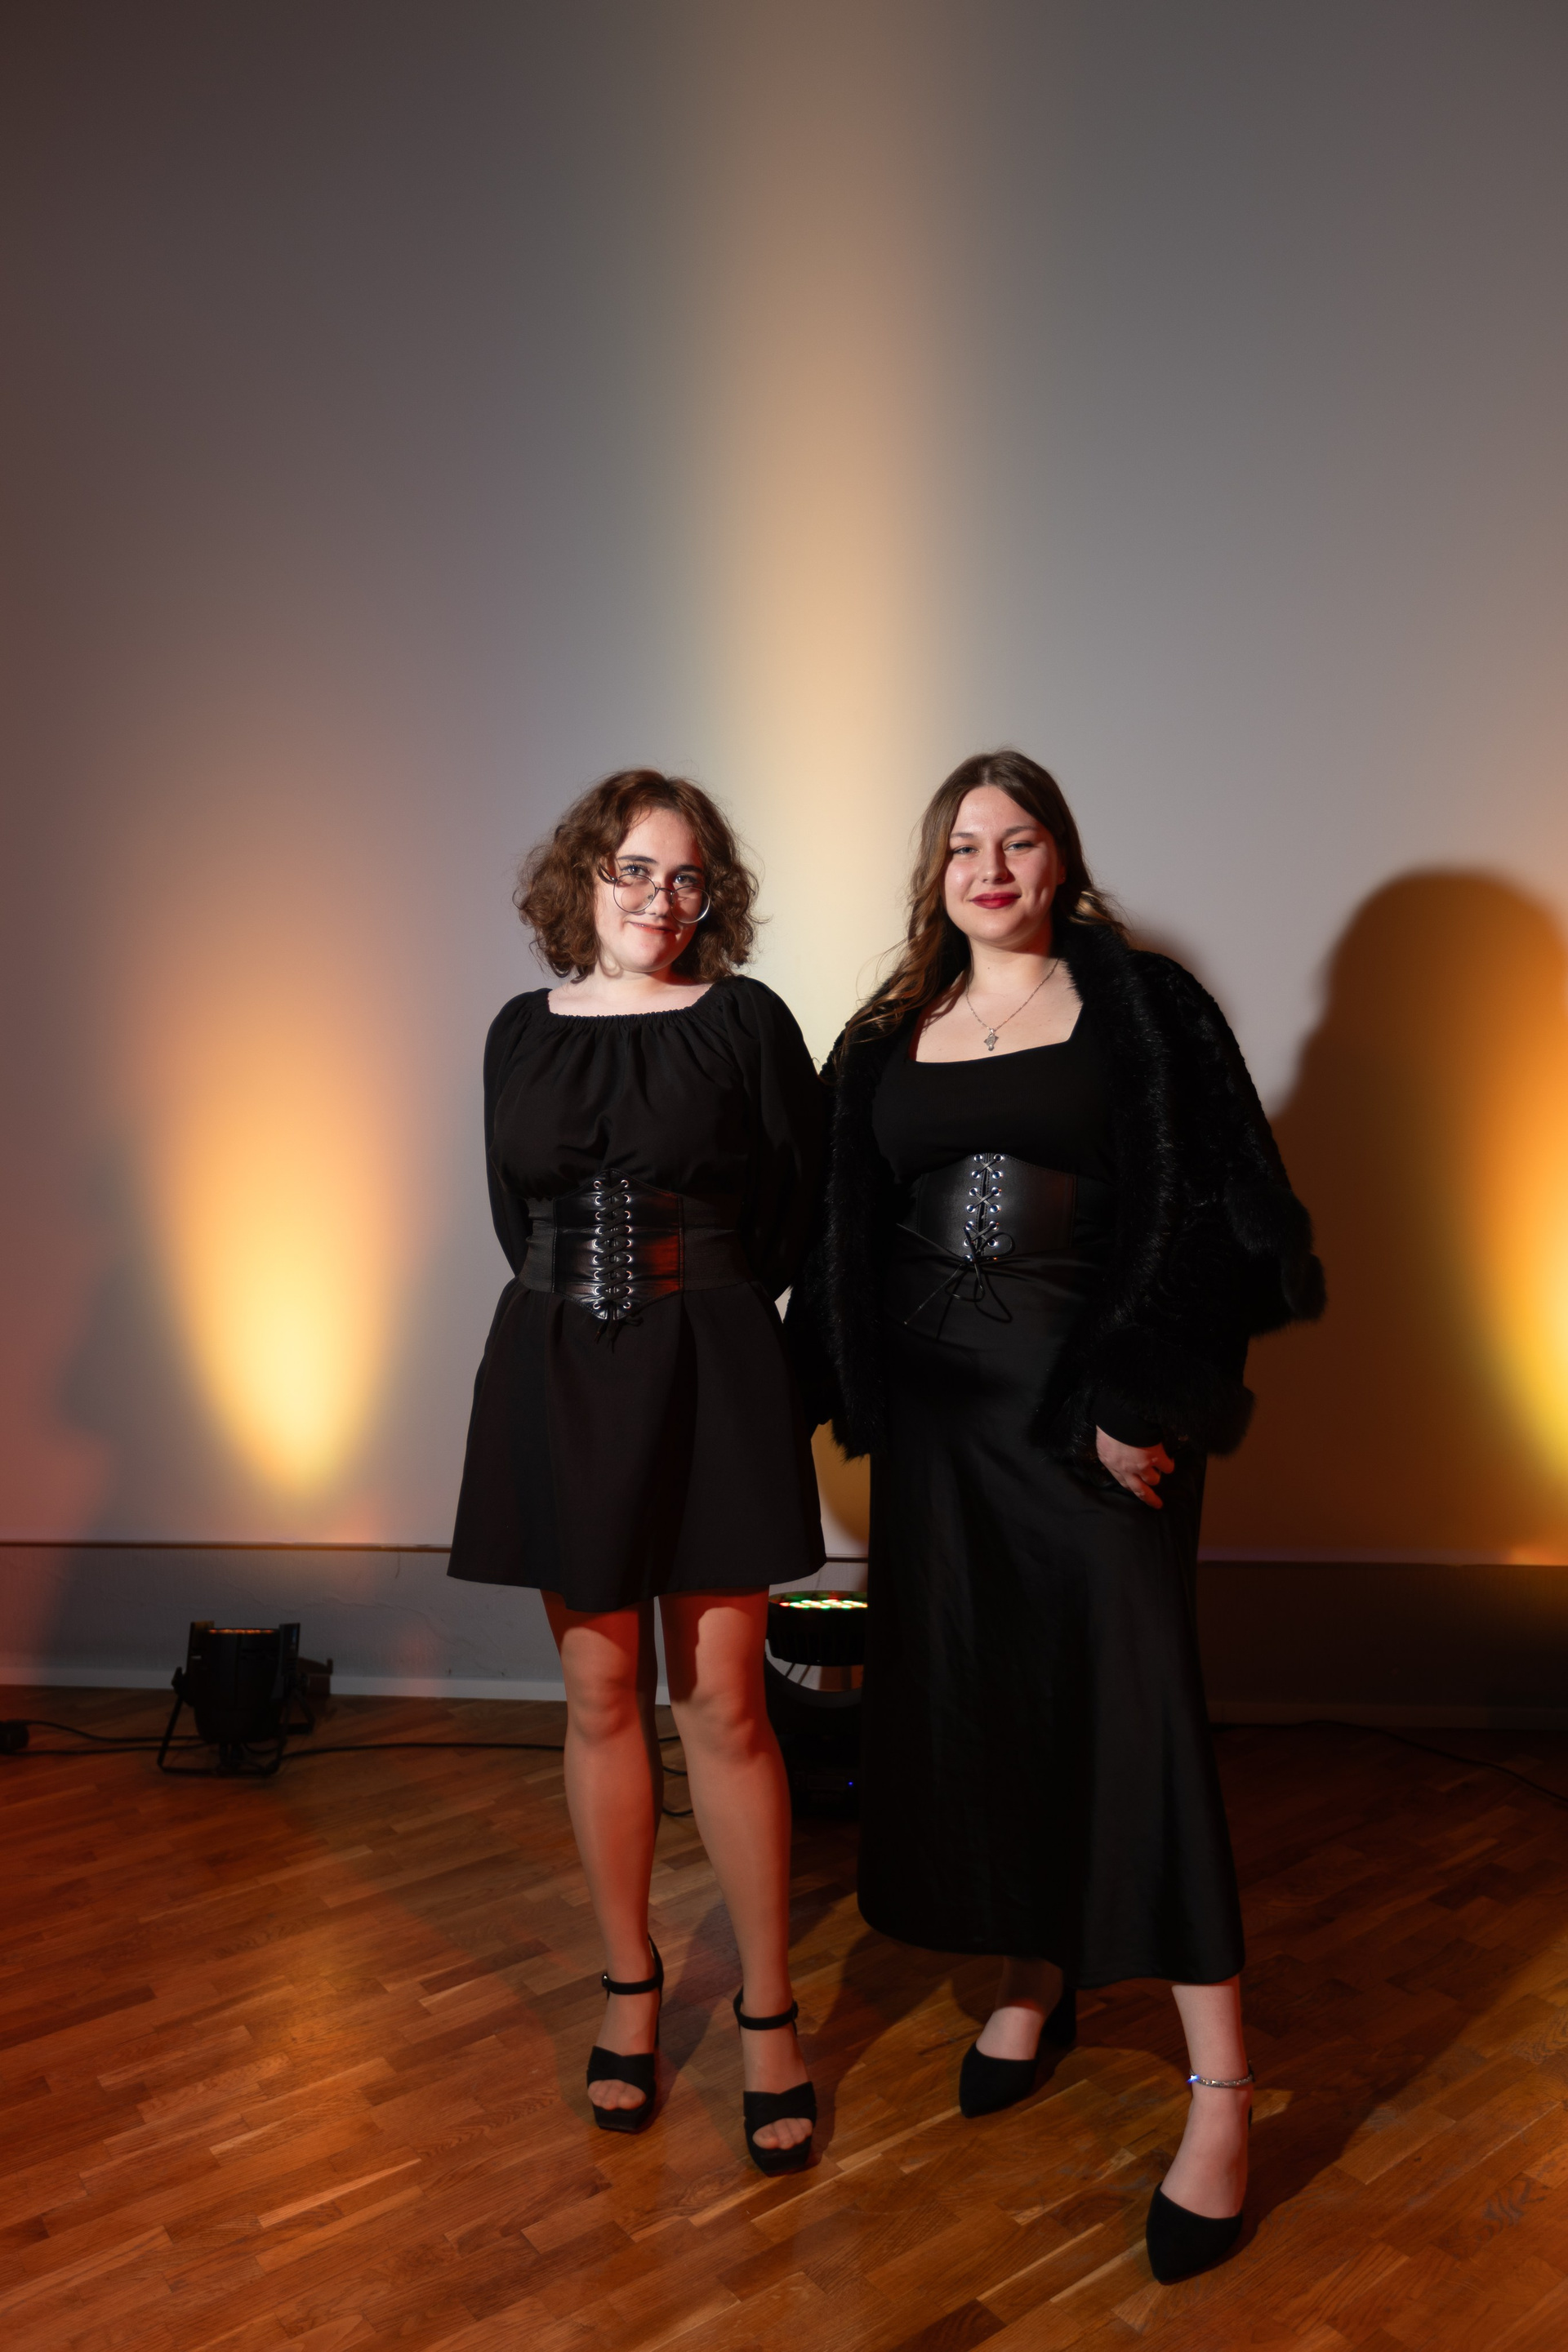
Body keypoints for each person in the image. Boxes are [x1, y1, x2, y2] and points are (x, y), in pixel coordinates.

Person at [788, 749, 1323, 2278]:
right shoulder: (886, 1030)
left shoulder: (1147, 1008)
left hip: (1087, 1413)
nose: (994, 868)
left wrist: (1142, 1394)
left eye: (1020, 841)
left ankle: (1221, 2092)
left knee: (1134, 1713)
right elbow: (833, 1229)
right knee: (992, 1697)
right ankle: (1037, 1973)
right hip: (939, 1434)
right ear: (937, 874)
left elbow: (1231, 1217)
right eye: (967, 845)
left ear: (1062, 859)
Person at [448, 768, 824, 2173]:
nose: (662, 899)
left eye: (687, 877)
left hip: (714, 1369)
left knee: (724, 1702)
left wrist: (704, 1305)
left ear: (710, 897)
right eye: (635, 871)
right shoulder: (518, 1031)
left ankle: (770, 2012)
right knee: (601, 1693)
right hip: (558, 1372)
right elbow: (515, 1217)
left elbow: (797, 1206)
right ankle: (630, 1986)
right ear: (585, 879)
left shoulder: (745, 1020)